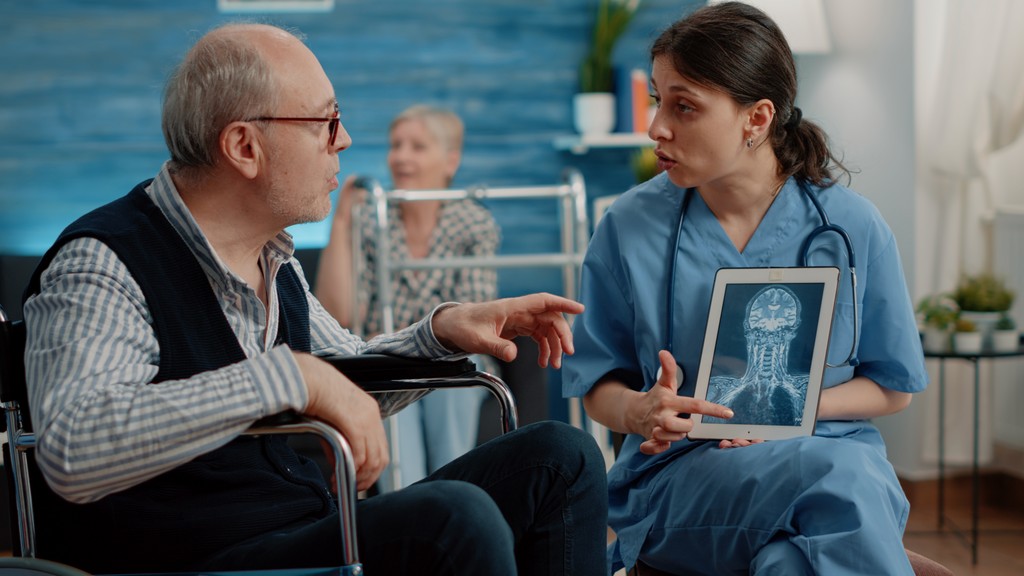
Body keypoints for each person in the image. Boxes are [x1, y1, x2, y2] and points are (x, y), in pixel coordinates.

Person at [21, 23, 607, 576]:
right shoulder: (103, 261)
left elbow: (348, 375)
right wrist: (290, 377)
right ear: (244, 147)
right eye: (325, 122)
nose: (345, 141)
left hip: (298, 530)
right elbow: (74, 446)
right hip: (189, 556)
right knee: (454, 518)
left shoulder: (275, 263)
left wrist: (443, 330)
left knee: (563, 455)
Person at [562, 3, 928, 575]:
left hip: (828, 452)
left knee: (790, 563)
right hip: (684, 471)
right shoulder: (630, 225)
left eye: (684, 106)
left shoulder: (851, 228)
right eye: (659, 101)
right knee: (849, 483)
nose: (657, 127)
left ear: (756, 119)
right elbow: (595, 383)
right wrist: (640, 410)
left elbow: (892, 387)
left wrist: (785, 415)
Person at [315, 104, 498, 490]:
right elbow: (339, 312)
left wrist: (424, 340)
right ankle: (409, 515)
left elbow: (472, 320)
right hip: (388, 361)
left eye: (417, 147)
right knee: (389, 379)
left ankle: (453, 504)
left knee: (455, 370)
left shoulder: (475, 223)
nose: (400, 157)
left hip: (450, 358)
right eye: (396, 145)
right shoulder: (372, 219)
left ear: (451, 161)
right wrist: (343, 222)